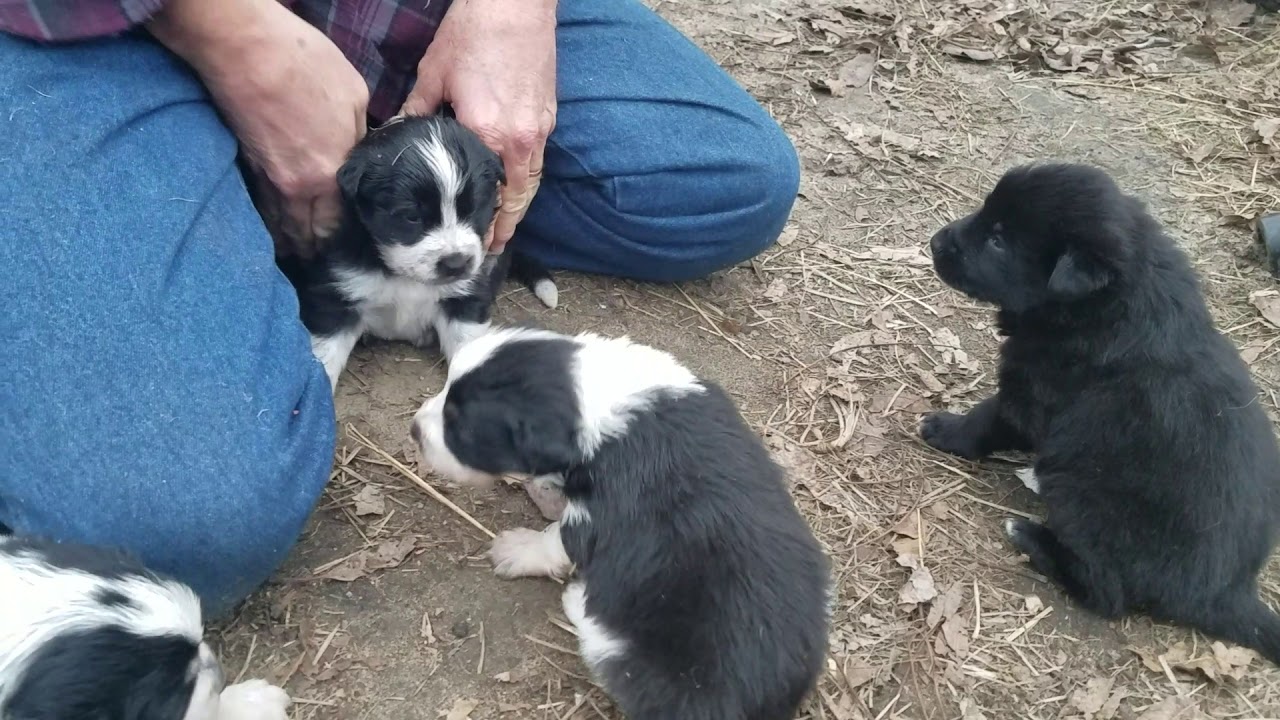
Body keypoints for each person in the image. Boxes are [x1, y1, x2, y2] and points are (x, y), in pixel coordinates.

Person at [0, 0, 800, 617]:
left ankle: (426, 183)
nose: (462, 250)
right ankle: (206, 202)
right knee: (182, 525)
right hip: (108, 26)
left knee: (732, 184)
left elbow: (467, 290)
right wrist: (227, 32)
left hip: (406, 17)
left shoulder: (455, 257)